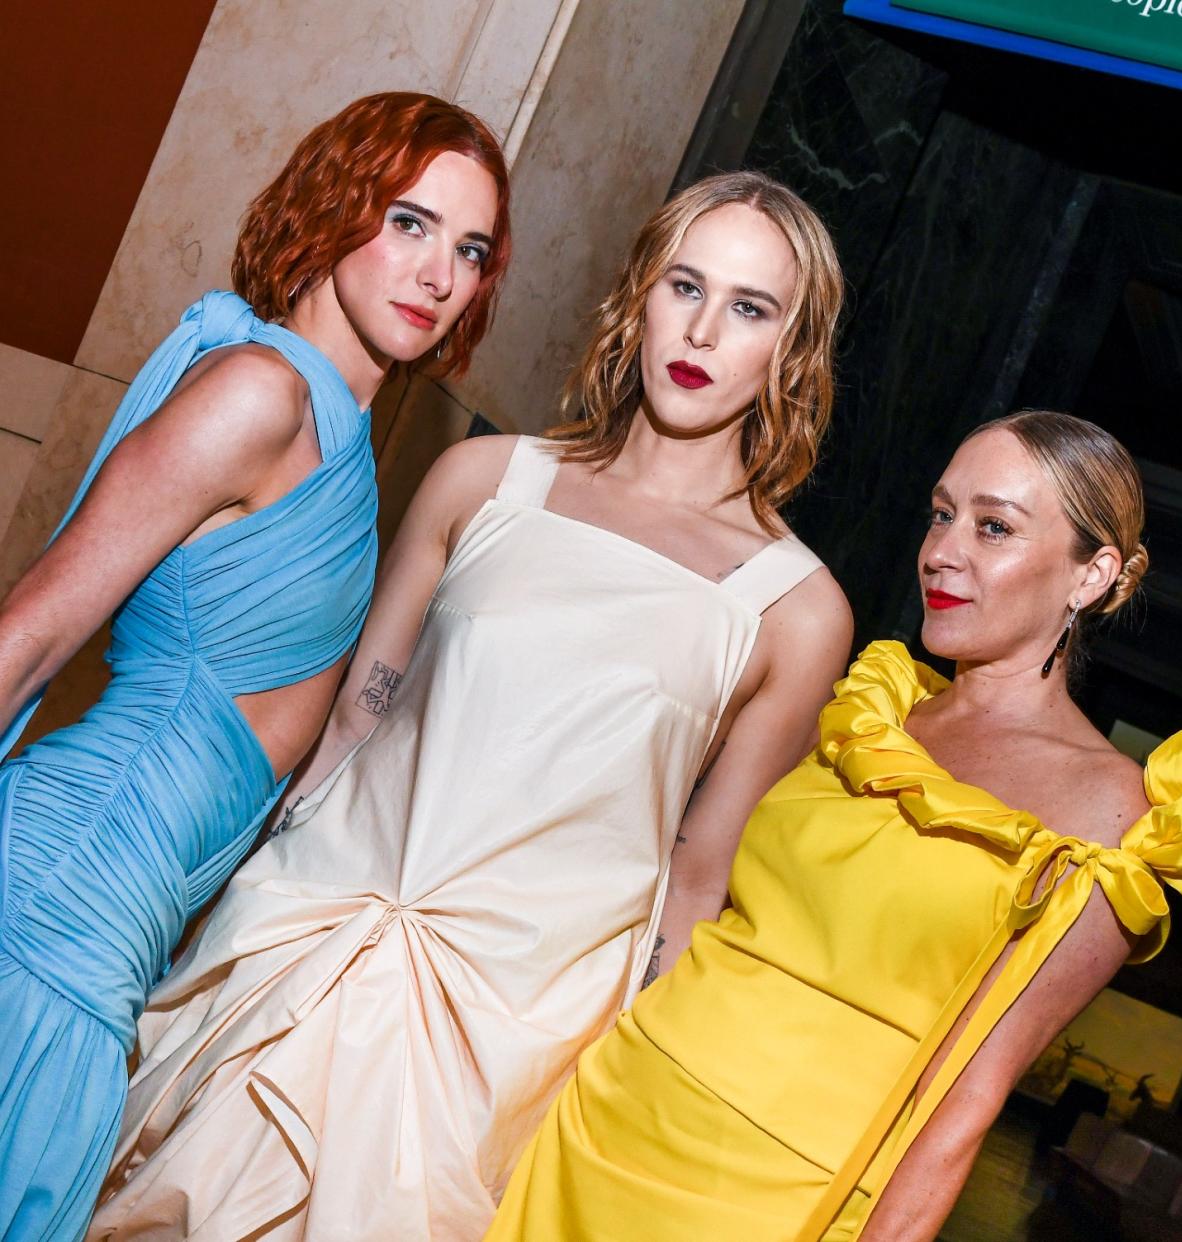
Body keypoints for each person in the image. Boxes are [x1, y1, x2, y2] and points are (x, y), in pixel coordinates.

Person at [89, 171, 854, 1240]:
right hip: (305, 939)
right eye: (686, 285)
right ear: (639, 295)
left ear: (792, 350)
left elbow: (699, 874)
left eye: (751, 308)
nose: (703, 329)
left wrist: (630, 1104)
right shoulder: (484, 479)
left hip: (509, 1033)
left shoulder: (796, 609)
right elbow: (349, 720)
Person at [487, 410, 1182, 1242]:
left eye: (994, 527)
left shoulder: (1110, 813)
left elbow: (965, 1102)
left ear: (1091, 575)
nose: (943, 551)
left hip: (782, 1200)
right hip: (611, 1115)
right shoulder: (874, 710)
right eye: (941, 513)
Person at [0, 91, 510, 1240]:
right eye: (409, 222)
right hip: (52, 901)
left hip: (121, 926)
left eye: (469, 249)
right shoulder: (260, 394)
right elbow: (29, 632)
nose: (438, 272)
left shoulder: (341, 437)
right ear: (335, 210)